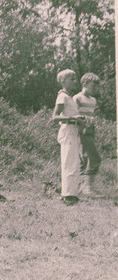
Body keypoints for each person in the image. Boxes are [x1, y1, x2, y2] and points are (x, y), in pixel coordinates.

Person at [51, 69, 85, 206]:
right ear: (63, 81)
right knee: (69, 162)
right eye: (72, 79)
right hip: (67, 130)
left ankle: (72, 193)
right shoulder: (62, 97)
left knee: (74, 162)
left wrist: (79, 121)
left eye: (75, 79)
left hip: (73, 130)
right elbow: (55, 117)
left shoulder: (69, 97)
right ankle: (68, 195)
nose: (75, 81)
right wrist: (73, 118)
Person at [73, 72, 103, 197]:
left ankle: (83, 187)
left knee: (86, 158)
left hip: (90, 129)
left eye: (97, 86)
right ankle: (86, 187)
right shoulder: (77, 98)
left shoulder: (93, 100)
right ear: (84, 83)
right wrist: (81, 128)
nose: (95, 88)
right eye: (93, 85)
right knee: (94, 157)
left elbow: (91, 115)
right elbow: (73, 115)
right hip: (81, 130)